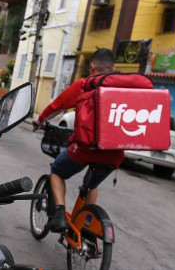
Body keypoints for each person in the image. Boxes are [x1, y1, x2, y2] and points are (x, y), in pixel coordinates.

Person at [32, 48, 125, 232]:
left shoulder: (84, 85)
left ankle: (59, 214)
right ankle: (85, 226)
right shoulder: (124, 89)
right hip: (114, 153)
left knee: (57, 171)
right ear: (113, 68)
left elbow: (57, 106)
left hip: (86, 149)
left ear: (92, 66)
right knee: (92, 186)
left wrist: (39, 120)